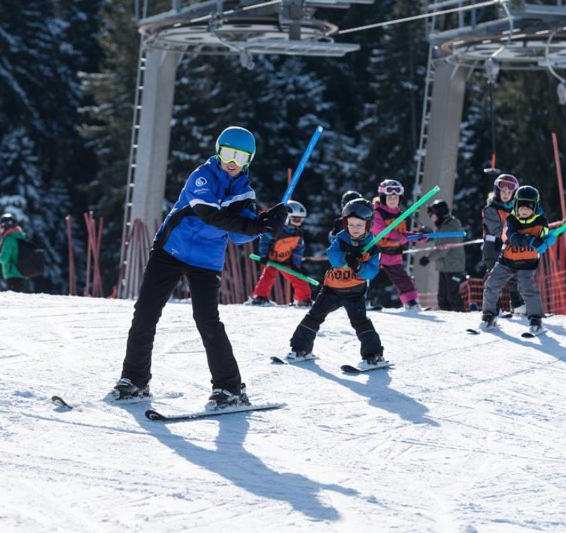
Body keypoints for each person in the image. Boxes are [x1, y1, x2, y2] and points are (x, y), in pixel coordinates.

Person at [113, 126, 287, 409]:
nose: (232, 162)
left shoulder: (244, 192)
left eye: (240, 157)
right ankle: (134, 380)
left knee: (207, 321)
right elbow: (209, 215)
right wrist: (254, 224)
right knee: (145, 313)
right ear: (218, 151)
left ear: (249, 161)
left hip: (206, 261)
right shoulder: (202, 176)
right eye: (228, 153)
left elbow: (240, 235)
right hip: (170, 250)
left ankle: (229, 388)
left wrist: (268, 224)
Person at [286, 198, 386, 369]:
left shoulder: (372, 246)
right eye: (351, 225)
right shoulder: (340, 239)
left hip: (354, 292)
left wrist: (359, 266)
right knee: (314, 316)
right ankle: (301, 349)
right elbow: (333, 257)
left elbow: (372, 271)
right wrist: (347, 256)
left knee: (360, 322)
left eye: (359, 225)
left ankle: (373, 355)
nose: (354, 229)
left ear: (368, 225)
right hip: (331, 289)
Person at [480, 185, 551, 334]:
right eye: (521, 206)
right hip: (507, 259)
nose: (524, 211)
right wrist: (531, 240)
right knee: (492, 283)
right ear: (516, 205)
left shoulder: (541, 221)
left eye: (529, 207)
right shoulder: (511, 219)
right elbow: (512, 237)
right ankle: (489, 316)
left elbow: (544, 234)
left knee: (527, 289)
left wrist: (547, 239)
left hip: (527, 262)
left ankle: (536, 321)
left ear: (535, 207)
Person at [372, 179, 423, 310]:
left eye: (396, 197)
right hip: (376, 252)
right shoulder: (377, 212)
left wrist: (418, 236)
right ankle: (358, 301)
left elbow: (403, 234)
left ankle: (411, 303)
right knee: (366, 276)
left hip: (392, 253)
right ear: (383, 197)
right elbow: (380, 231)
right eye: (390, 197)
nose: (393, 200)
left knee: (402, 279)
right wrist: (399, 238)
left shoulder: (399, 214)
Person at [249, 200, 312, 307]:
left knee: (299, 278)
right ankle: (260, 297)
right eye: (295, 220)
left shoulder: (298, 234)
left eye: (300, 220)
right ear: (287, 218)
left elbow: (298, 250)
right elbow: (264, 241)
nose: (298, 223)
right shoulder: (277, 230)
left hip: (286, 262)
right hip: (272, 260)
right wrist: (264, 255)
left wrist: (295, 265)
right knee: (268, 277)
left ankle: (303, 299)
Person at [481, 173, 526, 315]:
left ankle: (518, 305)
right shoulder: (490, 209)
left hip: (509, 246)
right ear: (497, 191)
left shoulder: (514, 210)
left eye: (509, 192)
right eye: (503, 191)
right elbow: (497, 230)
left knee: (513, 275)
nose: (506, 194)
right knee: (494, 276)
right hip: (493, 246)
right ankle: (492, 307)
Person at [418, 199, 466, 312]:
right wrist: (428, 234)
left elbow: (443, 249)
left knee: (452, 296)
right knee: (443, 298)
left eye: (432, 215)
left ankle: (461, 318)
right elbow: (439, 240)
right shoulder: (444, 226)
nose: (431, 218)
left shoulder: (450, 226)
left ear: (439, 213)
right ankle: (447, 318)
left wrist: (428, 258)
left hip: (453, 267)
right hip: (445, 267)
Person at [0, 213, 28, 293]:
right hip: (22, 274)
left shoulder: (10, 239)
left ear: (5, 226)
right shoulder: (19, 237)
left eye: (1, 227)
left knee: (14, 301)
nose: (0, 230)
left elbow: (4, 258)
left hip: (12, 275)